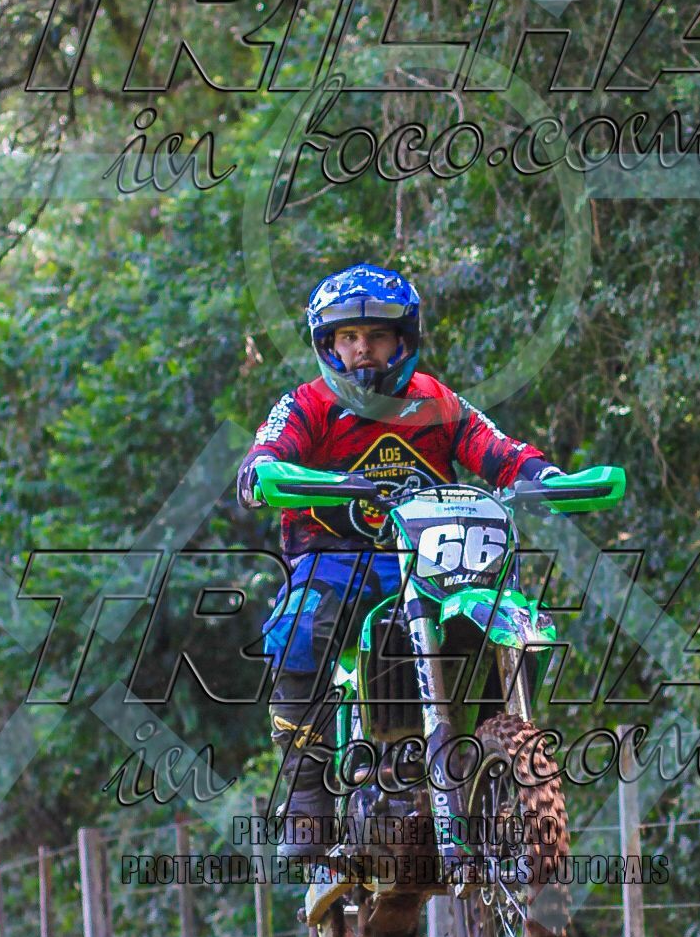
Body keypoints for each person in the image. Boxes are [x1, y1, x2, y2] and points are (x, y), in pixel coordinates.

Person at [236, 261, 560, 860]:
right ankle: (307, 799)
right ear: (328, 345)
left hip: (436, 556)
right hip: (336, 557)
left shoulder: (434, 401)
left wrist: (544, 475)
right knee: (300, 627)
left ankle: (494, 761)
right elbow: (269, 449)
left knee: (509, 613)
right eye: (348, 337)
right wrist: (262, 470)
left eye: (377, 335)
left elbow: (493, 447)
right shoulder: (308, 404)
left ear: (402, 340)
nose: (363, 350)